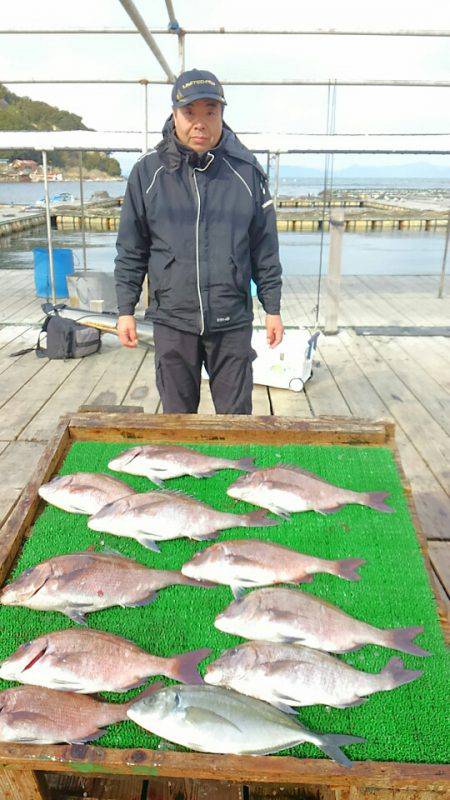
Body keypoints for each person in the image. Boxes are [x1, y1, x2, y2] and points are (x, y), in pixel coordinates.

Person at [115, 68, 283, 414]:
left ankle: (239, 467)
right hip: (173, 319)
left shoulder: (246, 170)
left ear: (222, 114)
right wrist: (124, 310)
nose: (200, 123)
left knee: (236, 420)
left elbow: (264, 246)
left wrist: (273, 307)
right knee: (177, 419)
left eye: (211, 112)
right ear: (175, 114)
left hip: (231, 319)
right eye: (189, 113)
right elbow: (132, 248)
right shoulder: (147, 172)